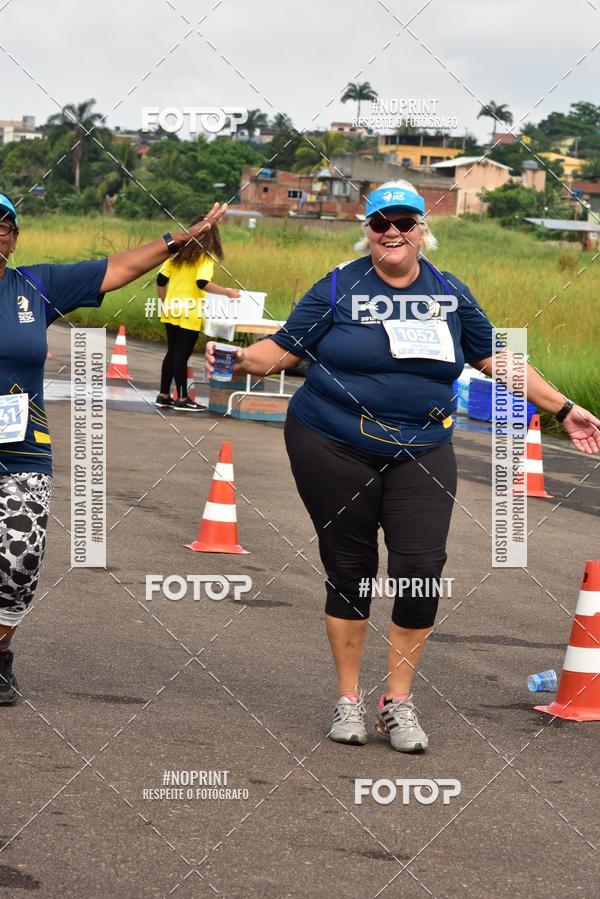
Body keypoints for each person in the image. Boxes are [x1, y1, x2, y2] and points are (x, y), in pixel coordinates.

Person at [206, 180, 600, 753]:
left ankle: (398, 701)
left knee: (421, 567)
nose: (393, 232)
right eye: (380, 223)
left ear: (422, 230)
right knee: (351, 567)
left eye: (405, 222)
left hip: (423, 447)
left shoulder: (449, 292)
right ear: (366, 230)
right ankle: (348, 699)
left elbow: (496, 358)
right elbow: (286, 348)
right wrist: (240, 358)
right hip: (332, 442)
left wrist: (563, 408)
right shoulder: (338, 286)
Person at [0, 193, 228, 704]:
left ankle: (0, 651)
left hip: (20, 448)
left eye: (3, 226)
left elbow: (118, 267)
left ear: (14, 239)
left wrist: (178, 240)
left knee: (20, 559)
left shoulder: (35, 286)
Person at [155, 213, 240, 412]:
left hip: (171, 308)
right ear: (212, 237)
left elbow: (160, 280)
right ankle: (183, 398)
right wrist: (227, 292)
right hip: (190, 311)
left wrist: (164, 303)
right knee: (181, 355)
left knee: (172, 352)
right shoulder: (205, 256)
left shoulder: (176, 253)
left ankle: (164, 395)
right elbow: (202, 282)